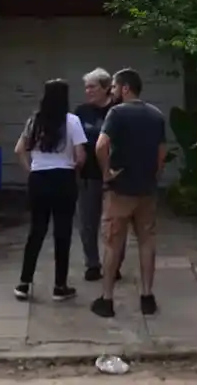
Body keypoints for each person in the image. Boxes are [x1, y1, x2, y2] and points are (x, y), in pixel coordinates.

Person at [91, 68, 167, 318]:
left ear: (125, 88)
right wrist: (155, 175)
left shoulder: (116, 113)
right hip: (146, 189)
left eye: (113, 86)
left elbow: (101, 145)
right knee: (147, 241)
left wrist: (107, 172)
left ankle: (107, 298)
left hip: (120, 190)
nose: (112, 91)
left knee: (113, 244)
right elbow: (162, 152)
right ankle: (147, 296)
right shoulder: (156, 115)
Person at [12, 79, 86, 302]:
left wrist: (32, 170)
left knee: (36, 231)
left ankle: (24, 283)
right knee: (62, 233)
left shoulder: (34, 120)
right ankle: (59, 286)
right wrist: (73, 169)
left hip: (39, 178)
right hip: (63, 178)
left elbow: (19, 150)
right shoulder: (72, 121)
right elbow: (81, 156)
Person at [74, 67, 124, 282]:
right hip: (89, 174)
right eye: (86, 87)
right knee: (88, 222)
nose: (88, 91)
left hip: (116, 175)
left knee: (116, 223)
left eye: (93, 87)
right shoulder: (81, 112)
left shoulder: (119, 110)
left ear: (106, 88)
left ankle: (114, 264)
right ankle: (92, 263)